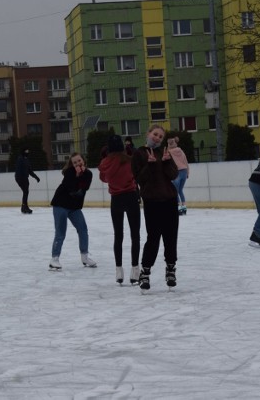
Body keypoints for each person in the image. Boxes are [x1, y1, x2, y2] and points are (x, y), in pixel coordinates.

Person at [131, 124, 180, 292]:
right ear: (148, 133)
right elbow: (139, 179)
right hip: (152, 201)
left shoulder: (164, 153)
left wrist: (166, 162)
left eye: (160, 136)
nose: (157, 138)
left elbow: (174, 175)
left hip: (169, 200)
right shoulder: (138, 154)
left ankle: (171, 269)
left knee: (170, 236)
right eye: (155, 134)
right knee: (153, 237)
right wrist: (150, 165)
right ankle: (145, 272)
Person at [98, 134, 141, 285]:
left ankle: (118, 270)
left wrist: (105, 159)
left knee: (118, 235)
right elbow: (137, 173)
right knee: (135, 235)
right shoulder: (129, 160)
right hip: (130, 197)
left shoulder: (105, 163)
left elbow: (103, 178)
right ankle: (135, 270)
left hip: (116, 200)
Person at [49, 153, 97, 270]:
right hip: (60, 204)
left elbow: (84, 188)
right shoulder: (69, 172)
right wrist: (76, 175)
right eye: (74, 162)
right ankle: (54, 259)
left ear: (83, 160)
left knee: (83, 229)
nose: (77, 164)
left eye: (79, 161)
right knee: (61, 232)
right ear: (72, 164)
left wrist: (82, 175)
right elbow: (71, 189)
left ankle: (85, 256)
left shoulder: (88, 174)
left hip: (74, 207)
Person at [166, 137, 190, 215]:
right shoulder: (181, 151)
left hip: (176, 172)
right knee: (180, 190)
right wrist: (187, 173)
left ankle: (178, 207)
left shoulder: (169, 152)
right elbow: (186, 161)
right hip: (184, 171)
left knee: (175, 191)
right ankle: (184, 206)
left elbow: (167, 164)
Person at [14, 147, 40, 214]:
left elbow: (29, 170)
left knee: (26, 192)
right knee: (25, 192)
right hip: (21, 178)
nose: (27, 153)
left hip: (25, 178)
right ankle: (24, 207)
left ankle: (24, 207)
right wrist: (20, 178)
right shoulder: (20, 159)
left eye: (28, 151)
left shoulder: (26, 160)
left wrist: (36, 177)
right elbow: (18, 170)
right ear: (23, 152)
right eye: (26, 151)